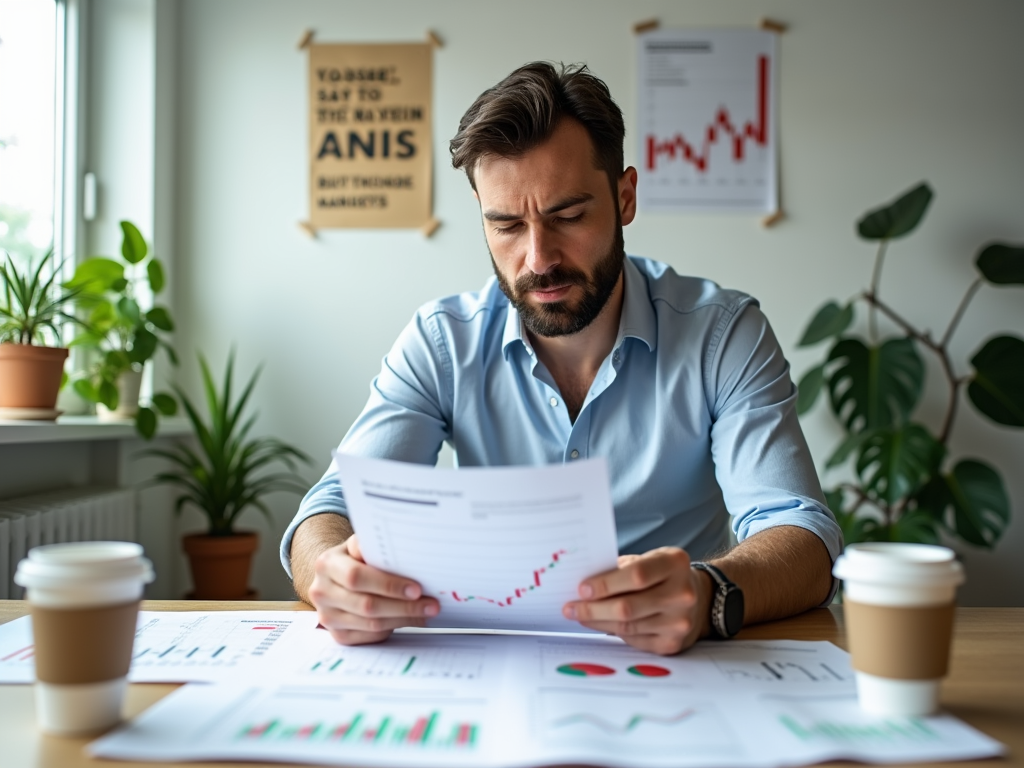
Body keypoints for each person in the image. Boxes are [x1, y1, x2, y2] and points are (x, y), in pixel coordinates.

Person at [281, 62, 842, 656]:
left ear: (624, 197)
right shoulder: (441, 342)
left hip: (678, 668)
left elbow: (802, 537)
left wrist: (710, 593)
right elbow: (328, 509)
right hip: (494, 670)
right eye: (505, 225)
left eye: (568, 216)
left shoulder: (723, 336)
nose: (537, 258)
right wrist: (331, 573)